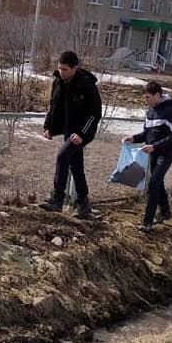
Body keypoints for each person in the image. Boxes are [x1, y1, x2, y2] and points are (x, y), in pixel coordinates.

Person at [39, 50, 102, 219]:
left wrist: (82, 134)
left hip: (81, 132)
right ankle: (83, 203)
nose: (61, 72)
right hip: (68, 130)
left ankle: (57, 199)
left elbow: (95, 113)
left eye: (65, 69)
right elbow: (53, 106)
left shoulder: (87, 85)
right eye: (60, 68)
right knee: (76, 166)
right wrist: (48, 127)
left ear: (74, 68)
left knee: (62, 156)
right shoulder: (58, 82)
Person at [123, 81, 172, 232]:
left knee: (153, 182)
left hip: (166, 152)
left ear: (157, 95)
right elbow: (147, 134)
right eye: (144, 97)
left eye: (148, 97)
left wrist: (155, 146)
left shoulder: (170, 111)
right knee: (158, 182)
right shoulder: (150, 112)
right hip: (153, 151)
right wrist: (133, 138)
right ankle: (166, 212)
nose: (145, 100)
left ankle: (147, 221)